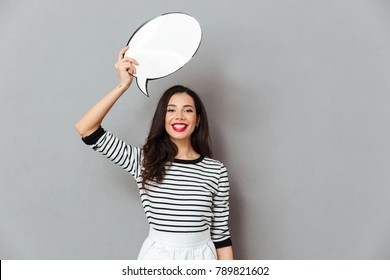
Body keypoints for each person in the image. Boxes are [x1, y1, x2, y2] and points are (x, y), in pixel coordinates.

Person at [75, 46, 233, 260]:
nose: (179, 116)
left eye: (188, 110)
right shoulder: (142, 160)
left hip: (203, 257)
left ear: (197, 121)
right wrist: (123, 85)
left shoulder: (216, 171)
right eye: (171, 110)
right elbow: (86, 128)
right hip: (158, 258)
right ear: (163, 118)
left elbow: (221, 235)